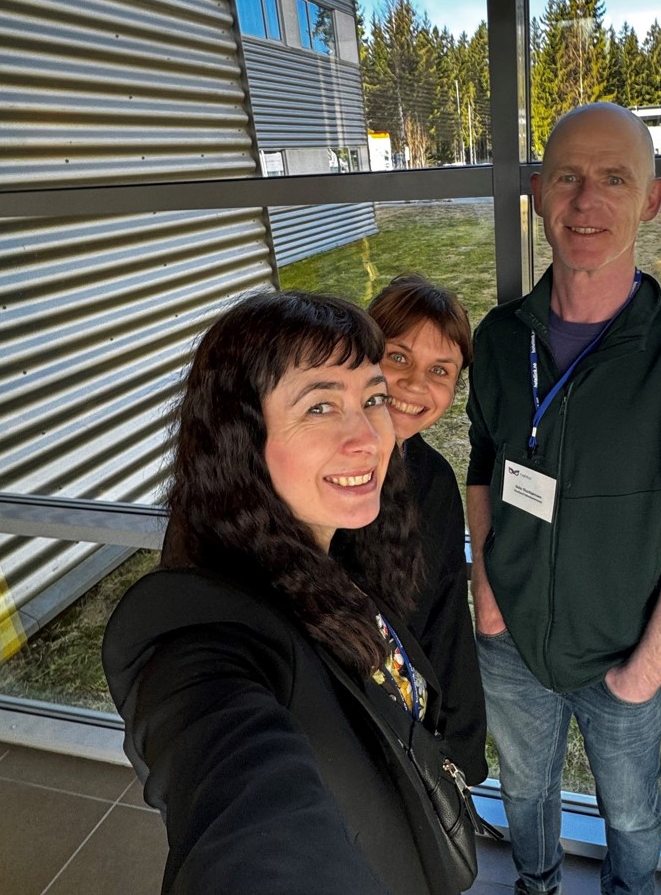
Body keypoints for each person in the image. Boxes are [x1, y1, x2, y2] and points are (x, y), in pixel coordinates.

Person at [466, 101, 661, 895]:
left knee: (630, 816)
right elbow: (484, 460)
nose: (586, 201)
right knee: (524, 793)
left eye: (614, 179)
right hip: (510, 639)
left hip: (627, 656)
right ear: (537, 192)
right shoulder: (499, 339)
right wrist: (487, 593)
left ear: (652, 200)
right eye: (568, 177)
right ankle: (538, 883)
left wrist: (647, 667)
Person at [102, 290, 470, 895]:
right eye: (321, 407)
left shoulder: (341, 542)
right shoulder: (203, 636)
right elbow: (246, 808)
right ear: (240, 438)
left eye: (371, 398)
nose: (370, 438)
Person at [333, 273, 487, 783]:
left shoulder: (435, 480)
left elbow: (444, 613)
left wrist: (460, 743)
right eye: (398, 358)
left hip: (412, 727)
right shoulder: (321, 473)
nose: (416, 385)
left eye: (440, 371)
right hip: (339, 732)